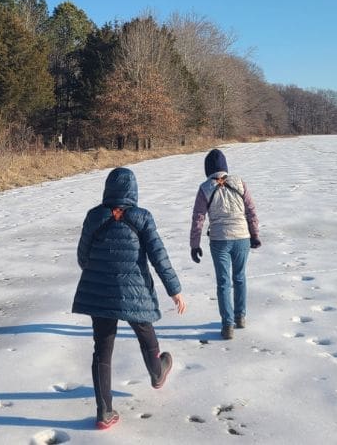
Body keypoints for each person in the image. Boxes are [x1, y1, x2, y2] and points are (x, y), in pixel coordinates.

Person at [72, 167, 185, 430]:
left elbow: (82, 255)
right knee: (146, 333)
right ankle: (158, 373)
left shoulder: (94, 216)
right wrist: (175, 289)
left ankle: (104, 412)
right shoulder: (142, 218)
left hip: (99, 292)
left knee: (102, 350)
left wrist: (100, 271)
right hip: (135, 291)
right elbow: (159, 256)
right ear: (133, 190)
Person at [190, 148, 260, 340]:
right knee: (240, 277)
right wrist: (254, 234)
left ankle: (227, 325)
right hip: (242, 237)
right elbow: (251, 210)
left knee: (223, 282)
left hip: (219, 240)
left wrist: (194, 244)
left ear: (208, 169)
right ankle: (240, 317)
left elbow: (198, 218)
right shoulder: (239, 182)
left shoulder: (205, 188)